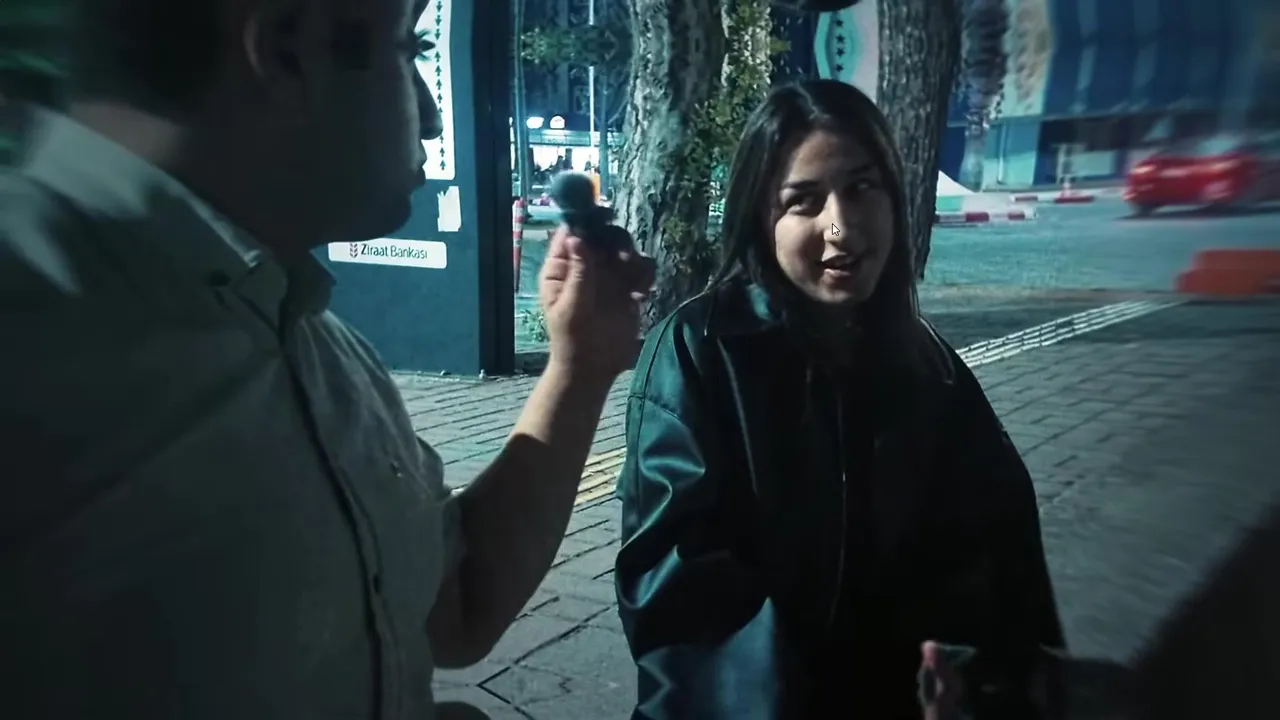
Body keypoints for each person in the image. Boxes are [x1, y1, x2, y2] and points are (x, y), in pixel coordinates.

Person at [0, 0, 652, 718]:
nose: (432, 118)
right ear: (288, 48)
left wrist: (580, 366)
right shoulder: (32, 327)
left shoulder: (316, 342)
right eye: (408, 53)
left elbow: (458, 609)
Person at [613, 79, 1065, 719]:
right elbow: (679, 596)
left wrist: (987, 681)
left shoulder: (927, 362)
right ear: (760, 217)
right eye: (803, 201)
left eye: (861, 188)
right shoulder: (700, 350)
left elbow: (998, 557)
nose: (842, 228)